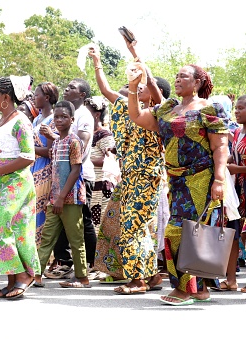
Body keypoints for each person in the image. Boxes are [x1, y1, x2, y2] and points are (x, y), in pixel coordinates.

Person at [127, 63, 229, 305]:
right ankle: (201, 289)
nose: (178, 79)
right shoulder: (170, 108)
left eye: (184, 76)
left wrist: (219, 179)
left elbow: (220, 146)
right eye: (177, 76)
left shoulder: (209, 109)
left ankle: (183, 290)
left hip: (201, 179)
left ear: (197, 83)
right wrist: (133, 89)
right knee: (194, 234)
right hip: (175, 180)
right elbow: (137, 116)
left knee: (181, 232)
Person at [89, 41, 165, 292]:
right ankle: (151, 275)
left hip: (147, 176)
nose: (138, 86)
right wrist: (97, 61)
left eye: (142, 85)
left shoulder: (159, 113)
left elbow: (151, 82)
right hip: (129, 176)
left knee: (133, 225)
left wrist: (135, 53)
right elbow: (106, 88)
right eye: (135, 84)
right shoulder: (123, 107)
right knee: (132, 225)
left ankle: (138, 280)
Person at [0, 76, 41, 299]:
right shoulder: (1, 120)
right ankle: (10, 281)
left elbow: (28, 156)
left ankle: (24, 275)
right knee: (5, 229)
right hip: (0, 182)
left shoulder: (21, 121)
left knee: (0, 225)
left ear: (6, 98)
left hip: (15, 181)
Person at [35, 100, 90, 289]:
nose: (59, 120)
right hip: (56, 198)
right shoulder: (58, 142)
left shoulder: (74, 141)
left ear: (72, 120)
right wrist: (54, 197)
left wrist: (60, 197)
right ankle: (37, 274)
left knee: (76, 238)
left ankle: (82, 277)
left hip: (71, 198)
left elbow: (75, 171)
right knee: (47, 237)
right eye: (56, 117)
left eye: (63, 117)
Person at [221, 95, 246, 293]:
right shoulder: (237, 133)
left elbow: (238, 164)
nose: (236, 111)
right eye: (235, 108)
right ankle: (230, 280)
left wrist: (236, 169)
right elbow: (234, 155)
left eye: (241, 108)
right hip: (238, 191)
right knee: (234, 235)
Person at [31, 82, 59, 246]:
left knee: (41, 208)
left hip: (45, 170)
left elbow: (49, 150)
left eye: (37, 95)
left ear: (46, 97)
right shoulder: (36, 120)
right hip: (33, 167)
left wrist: (28, 150)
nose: (34, 98)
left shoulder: (53, 120)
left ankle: (43, 250)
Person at [86, 96, 115, 233]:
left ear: (96, 115)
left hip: (100, 185)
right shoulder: (85, 133)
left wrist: (86, 160)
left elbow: (111, 160)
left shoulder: (103, 134)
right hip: (89, 183)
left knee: (98, 224)